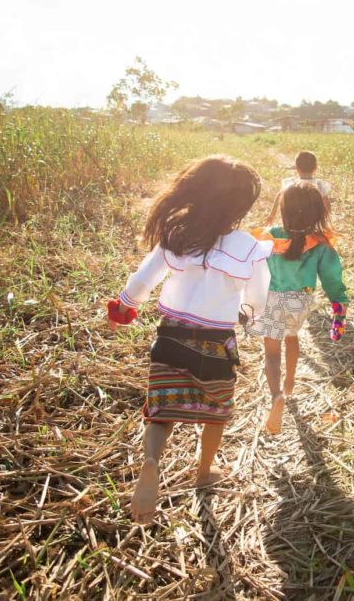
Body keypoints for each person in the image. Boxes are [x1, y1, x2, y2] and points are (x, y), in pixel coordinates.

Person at [107, 155, 273, 524]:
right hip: (216, 343)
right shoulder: (248, 246)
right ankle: (204, 471)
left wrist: (123, 309)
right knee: (216, 413)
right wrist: (248, 316)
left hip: (170, 336)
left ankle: (152, 461)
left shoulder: (177, 235)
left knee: (161, 411)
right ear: (242, 204)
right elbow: (259, 298)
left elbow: (142, 280)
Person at [249, 182, 348, 434]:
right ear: (318, 212)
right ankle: (290, 382)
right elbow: (332, 278)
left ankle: (276, 396)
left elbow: (249, 266)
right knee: (292, 337)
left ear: (283, 209)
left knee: (271, 352)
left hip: (273, 299)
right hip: (301, 301)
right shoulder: (320, 243)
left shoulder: (268, 236)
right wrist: (339, 306)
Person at [265, 150, 332, 225]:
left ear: (297, 168)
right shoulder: (319, 184)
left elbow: (278, 197)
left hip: (294, 223)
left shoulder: (290, 183)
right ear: (315, 168)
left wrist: (272, 215)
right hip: (313, 222)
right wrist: (323, 220)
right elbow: (327, 205)